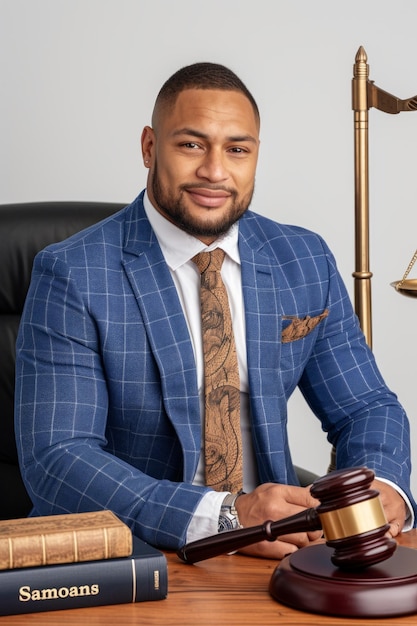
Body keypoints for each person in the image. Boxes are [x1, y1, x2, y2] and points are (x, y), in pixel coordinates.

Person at [15, 62, 416, 560]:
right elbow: (57, 459)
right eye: (191, 144)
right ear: (148, 147)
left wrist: (384, 487)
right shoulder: (72, 273)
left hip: (280, 552)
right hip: (139, 555)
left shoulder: (304, 258)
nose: (215, 171)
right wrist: (226, 516)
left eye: (237, 150)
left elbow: (365, 406)